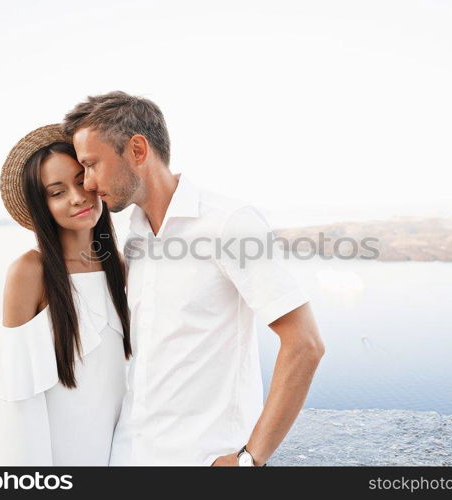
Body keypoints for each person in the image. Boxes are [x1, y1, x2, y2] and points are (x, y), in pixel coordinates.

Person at [62, 91, 326, 466]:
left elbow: (305, 344)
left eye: (92, 165)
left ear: (137, 150)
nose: (87, 183)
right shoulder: (136, 235)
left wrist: (250, 459)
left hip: (201, 458)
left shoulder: (228, 223)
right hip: (129, 454)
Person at [0, 124, 131, 465]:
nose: (77, 197)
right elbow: (15, 400)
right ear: (41, 205)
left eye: (80, 180)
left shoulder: (118, 265)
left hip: (117, 452)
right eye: (56, 192)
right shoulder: (30, 271)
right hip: (55, 458)